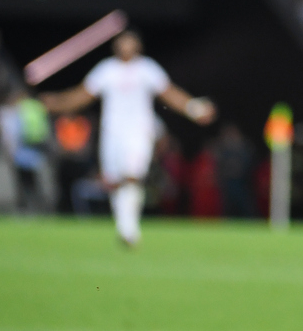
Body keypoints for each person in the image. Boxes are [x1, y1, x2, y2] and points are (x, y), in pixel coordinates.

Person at [43, 31, 215, 246]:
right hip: (112, 133)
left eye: (130, 41)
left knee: (132, 175)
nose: (126, 46)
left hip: (138, 132)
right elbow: (82, 95)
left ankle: (129, 228)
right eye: (122, 42)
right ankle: (124, 224)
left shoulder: (146, 68)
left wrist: (193, 108)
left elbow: (169, 93)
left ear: (138, 45)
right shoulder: (107, 69)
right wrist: (56, 102)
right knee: (115, 181)